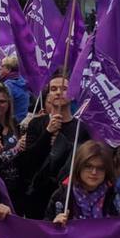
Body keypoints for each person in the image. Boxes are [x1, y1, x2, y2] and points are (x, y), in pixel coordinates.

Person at [17, 71, 89, 218]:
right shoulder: (37, 124)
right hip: (37, 196)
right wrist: (48, 133)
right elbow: (28, 161)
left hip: (67, 197)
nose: (58, 93)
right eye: (54, 89)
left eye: (63, 89)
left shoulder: (81, 128)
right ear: (48, 94)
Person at [0, 55, 31, 122]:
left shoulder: (8, 85)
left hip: (13, 122)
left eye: (2, 66)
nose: (0, 68)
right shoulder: (22, 80)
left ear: (9, 69)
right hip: (22, 119)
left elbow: (4, 108)